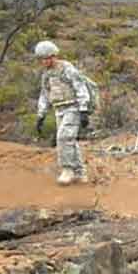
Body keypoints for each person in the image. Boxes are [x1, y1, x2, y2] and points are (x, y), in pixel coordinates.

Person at [34, 40, 92, 185]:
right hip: (58, 109)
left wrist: (84, 109)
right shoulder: (46, 74)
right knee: (70, 141)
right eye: (42, 59)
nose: (45, 61)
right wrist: (41, 115)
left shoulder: (67, 69)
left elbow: (80, 87)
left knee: (63, 138)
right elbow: (45, 94)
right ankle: (80, 172)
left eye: (48, 58)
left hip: (73, 107)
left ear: (54, 56)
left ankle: (67, 170)